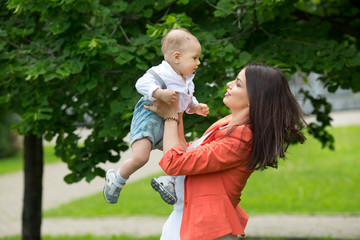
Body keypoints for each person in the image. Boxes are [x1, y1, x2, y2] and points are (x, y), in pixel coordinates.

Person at [144, 63, 306, 239]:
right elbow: (186, 152)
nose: (229, 84)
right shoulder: (227, 123)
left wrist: (170, 117)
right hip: (187, 219)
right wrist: (177, 109)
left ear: (255, 97)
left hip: (208, 230)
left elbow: (174, 163)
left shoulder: (241, 139)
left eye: (238, 84)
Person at [103, 28, 209, 204]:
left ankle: (168, 179)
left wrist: (195, 106)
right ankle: (117, 178)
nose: (198, 62)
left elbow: (185, 98)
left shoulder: (187, 78)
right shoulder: (162, 72)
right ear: (177, 57)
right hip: (150, 117)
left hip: (173, 120)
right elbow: (141, 83)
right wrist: (159, 92)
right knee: (141, 157)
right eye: (194, 58)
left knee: (181, 152)